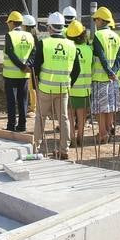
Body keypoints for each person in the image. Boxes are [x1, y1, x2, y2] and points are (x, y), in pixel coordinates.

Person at [32, 12, 81, 158]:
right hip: (63, 88)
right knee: (64, 118)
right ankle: (64, 150)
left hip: (45, 88)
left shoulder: (44, 43)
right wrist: (68, 83)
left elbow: (36, 66)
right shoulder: (71, 45)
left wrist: (37, 85)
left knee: (40, 117)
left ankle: (36, 147)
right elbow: (76, 69)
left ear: (50, 28)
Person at [90, 6, 120, 144]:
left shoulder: (98, 36)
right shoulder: (116, 36)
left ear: (100, 20)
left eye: (95, 20)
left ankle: (102, 134)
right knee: (110, 107)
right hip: (113, 79)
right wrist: (113, 72)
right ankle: (110, 128)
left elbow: (101, 57)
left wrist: (108, 72)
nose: (95, 22)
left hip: (100, 78)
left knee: (100, 109)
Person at [1, 10, 34, 133]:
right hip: (24, 74)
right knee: (23, 100)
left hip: (10, 74)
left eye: (8, 22)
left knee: (11, 101)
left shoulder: (9, 35)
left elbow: (10, 52)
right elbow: (33, 53)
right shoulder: (29, 36)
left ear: (12, 23)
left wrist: (21, 66)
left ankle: (11, 125)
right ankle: (22, 125)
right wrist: (27, 65)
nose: (7, 25)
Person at [66, 20, 92, 154]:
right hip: (84, 88)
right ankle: (80, 137)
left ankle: (71, 139)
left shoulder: (69, 49)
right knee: (82, 115)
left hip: (70, 87)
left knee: (69, 114)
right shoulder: (89, 49)